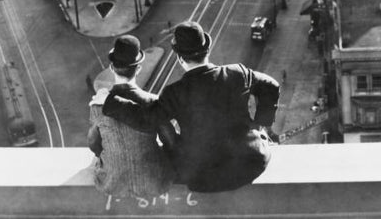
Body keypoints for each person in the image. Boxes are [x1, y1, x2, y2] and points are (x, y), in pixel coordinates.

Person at [103, 21, 281, 193]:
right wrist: (260, 123)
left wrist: (113, 103)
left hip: (205, 178)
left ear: (180, 58)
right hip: (250, 164)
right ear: (207, 50)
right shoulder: (238, 73)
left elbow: (147, 120)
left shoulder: (175, 92)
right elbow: (271, 85)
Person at [87, 35, 175, 198]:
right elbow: (171, 142)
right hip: (154, 183)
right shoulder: (154, 102)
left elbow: (93, 143)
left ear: (112, 68)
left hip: (111, 184)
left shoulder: (98, 105)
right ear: (139, 69)